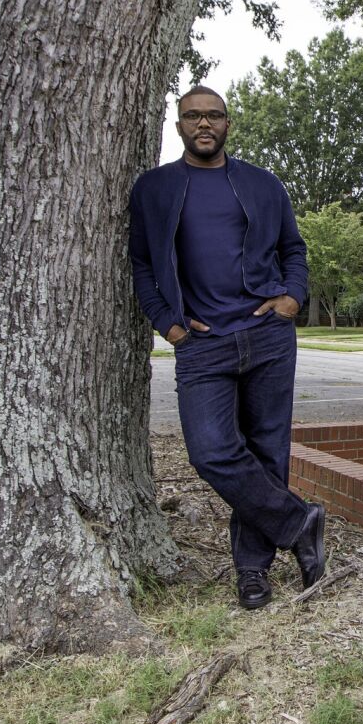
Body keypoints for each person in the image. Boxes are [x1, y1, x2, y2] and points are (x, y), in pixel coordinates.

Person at [128, 85, 325, 610]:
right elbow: (143, 263)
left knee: (266, 451)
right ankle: (300, 523)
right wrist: (168, 324)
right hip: (201, 343)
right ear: (179, 127)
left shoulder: (262, 184)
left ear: (228, 124)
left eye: (214, 115)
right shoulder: (155, 188)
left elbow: (293, 248)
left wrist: (292, 298)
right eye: (193, 117)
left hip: (267, 335)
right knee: (211, 451)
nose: (204, 124)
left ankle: (253, 572)